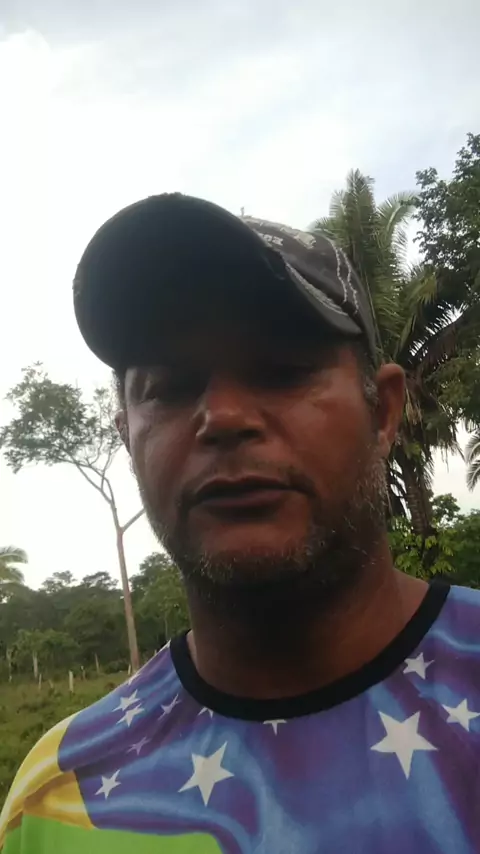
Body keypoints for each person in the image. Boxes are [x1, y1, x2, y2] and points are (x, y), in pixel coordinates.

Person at [1, 194, 479, 854]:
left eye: (283, 372)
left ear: (383, 413)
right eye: (171, 387)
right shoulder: (59, 804)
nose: (223, 417)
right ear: (128, 437)